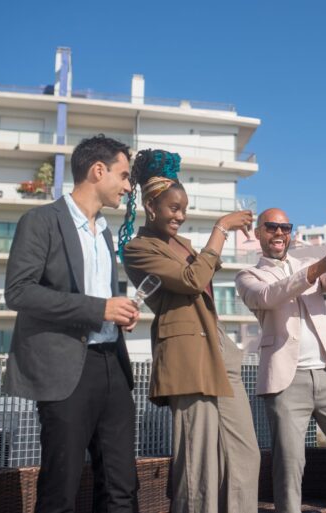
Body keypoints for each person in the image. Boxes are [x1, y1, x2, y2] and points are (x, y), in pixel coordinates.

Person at [4, 135, 139, 513]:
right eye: (125, 176)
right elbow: (19, 293)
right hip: (65, 370)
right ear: (99, 171)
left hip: (113, 365)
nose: (129, 187)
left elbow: (100, 298)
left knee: (122, 487)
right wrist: (99, 309)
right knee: (60, 489)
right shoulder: (40, 220)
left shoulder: (106, 232)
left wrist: (118, 313)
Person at [119, 149, 259, 513]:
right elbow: (192, 280)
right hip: (186, 358)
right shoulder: (137, 249)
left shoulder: (182, 245)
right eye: (174, 208)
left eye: (183, 208)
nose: (180, 216)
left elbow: (204, 274)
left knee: (246, 455)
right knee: (198, 466)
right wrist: (221, 228)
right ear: (151, 206)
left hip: (220, 349)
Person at [235, 208, 326, 513]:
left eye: (285, 227)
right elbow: (270, 296)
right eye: (271, 227)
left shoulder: (307, 264)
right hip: (287, 380)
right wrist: (317, 268)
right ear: (258, 233)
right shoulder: (248, 276)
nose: (279, 233)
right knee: (289, 466)